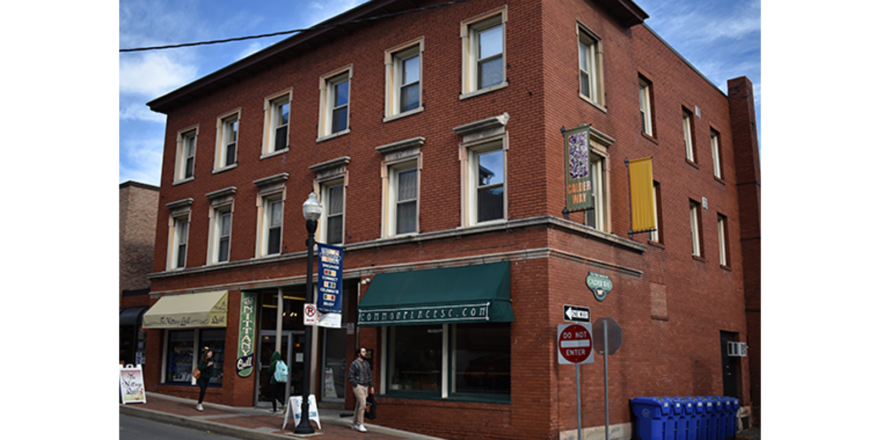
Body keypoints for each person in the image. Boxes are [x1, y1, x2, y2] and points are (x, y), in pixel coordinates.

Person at [347, 347, 374, 433]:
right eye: (363, 352)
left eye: (365, 351)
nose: (365, 353)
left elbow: (369, 376)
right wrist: (356, 384)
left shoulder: (366, 363)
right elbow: (350, 376)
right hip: (358, 386)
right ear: (359, 354)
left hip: (365, 386)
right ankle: (360, 424)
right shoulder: (354, 364)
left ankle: (354, 423)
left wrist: (372, 386)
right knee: (363, 404)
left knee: (359, 405)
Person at [196, 348, 214, 412]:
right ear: (206, 353)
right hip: (201, 377)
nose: (211, 354)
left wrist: (207, 367)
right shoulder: (202, 360)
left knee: (204, 391)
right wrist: (207, 366)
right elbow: (200, 368)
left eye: (211, 353)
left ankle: (199, 402)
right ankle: (199, 404)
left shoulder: (211, 361)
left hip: (207, 378)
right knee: (203, 390)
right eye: (210, 353)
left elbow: (210, 370)